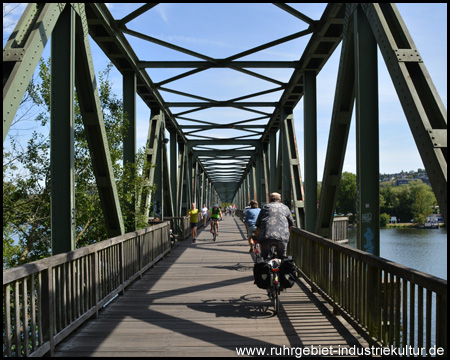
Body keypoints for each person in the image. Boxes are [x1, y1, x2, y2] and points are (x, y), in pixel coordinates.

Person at [255, 192, 294, 259]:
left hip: (266, 236)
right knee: (282, 258)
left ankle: (264, 265)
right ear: (280, 200)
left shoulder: (265, 207)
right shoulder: (285, 208)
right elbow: (291, 223)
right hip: (282, 237)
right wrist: (287, 234)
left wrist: (256, 236)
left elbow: (258, 224)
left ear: (270, 200)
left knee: (263, 257)